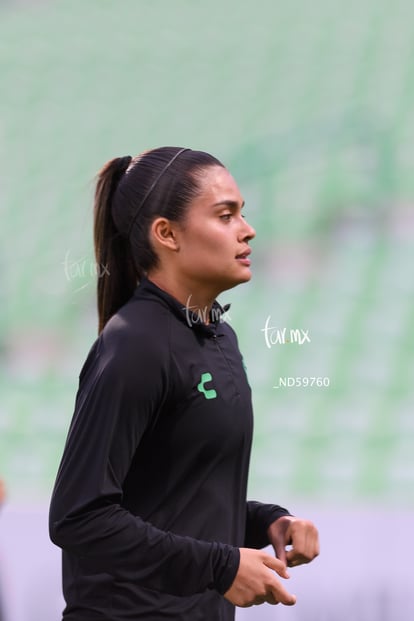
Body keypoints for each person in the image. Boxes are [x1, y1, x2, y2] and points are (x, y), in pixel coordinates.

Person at [49, 146, 319, 620]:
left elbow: (179, 498)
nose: (247, 229)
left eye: (243, 213)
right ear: (167, 234)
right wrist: (221, 567)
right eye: (225, 215)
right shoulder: (135, 343)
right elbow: (80, 516)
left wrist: (268, 521)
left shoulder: (220, 336)